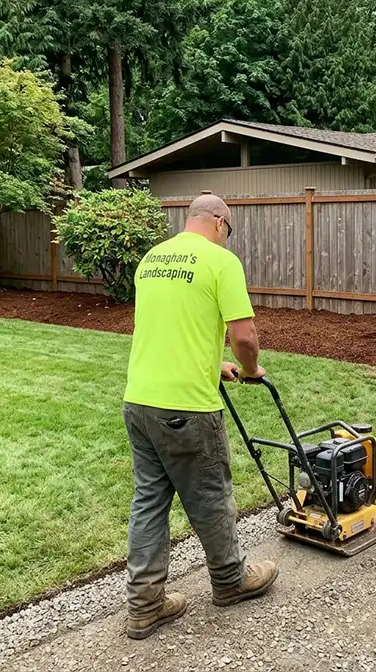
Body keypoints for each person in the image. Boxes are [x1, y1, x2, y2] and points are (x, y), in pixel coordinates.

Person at [121, 194, 278, 640]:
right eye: (227, 232)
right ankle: (230, 580)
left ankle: (144, 605)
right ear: (221, 224)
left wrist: (214, 366)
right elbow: (244, 335)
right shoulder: (220, 261)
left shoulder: (151, 259)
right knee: (210, 495)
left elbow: (170, 330)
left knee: (149, 501)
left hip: (139, 401)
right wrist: (248, 369)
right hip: (186, 408)